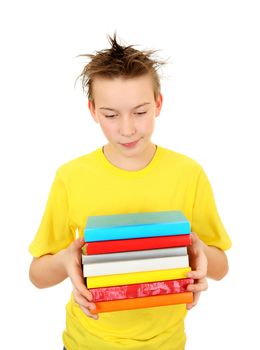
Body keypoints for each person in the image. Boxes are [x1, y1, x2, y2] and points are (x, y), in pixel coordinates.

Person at [29, 34, 232, 350]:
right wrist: (65, 260)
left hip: (167, 344)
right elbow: (38, 276)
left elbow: (221, 266)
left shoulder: (189, 173)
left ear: (158, 104)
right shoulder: (71, 177)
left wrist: (199, 252)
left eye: (140, 112)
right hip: (87, 342)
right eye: (111, 115)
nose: (127, 129)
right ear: (93, 111)